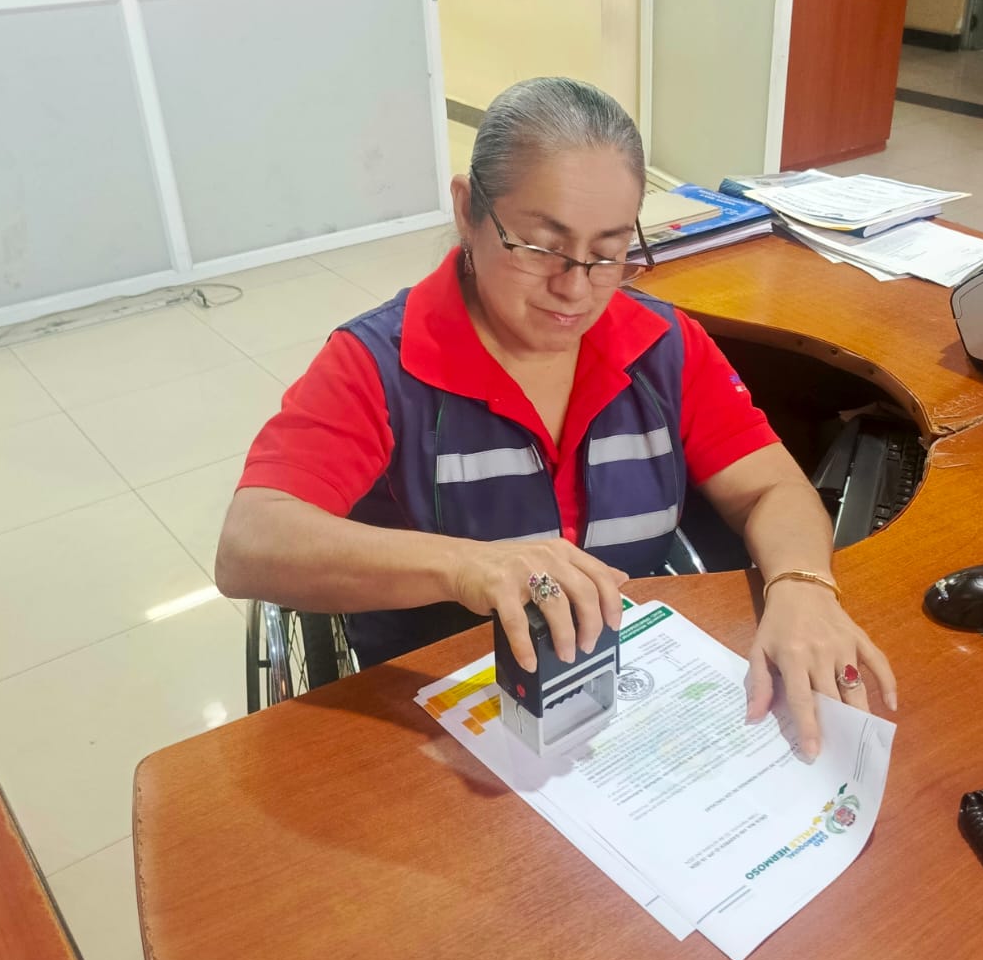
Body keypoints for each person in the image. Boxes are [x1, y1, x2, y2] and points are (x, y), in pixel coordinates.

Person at [215, 77, 896, 756]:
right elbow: (250, 543)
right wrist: (467, 567)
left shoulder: (660, 347)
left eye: (607, 254)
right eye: (542, 247)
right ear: (468, 211)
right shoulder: (383, 363)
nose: (575, 289)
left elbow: (772, 486)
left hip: (622, 700)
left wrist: (802, 585)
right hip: (442, 722)